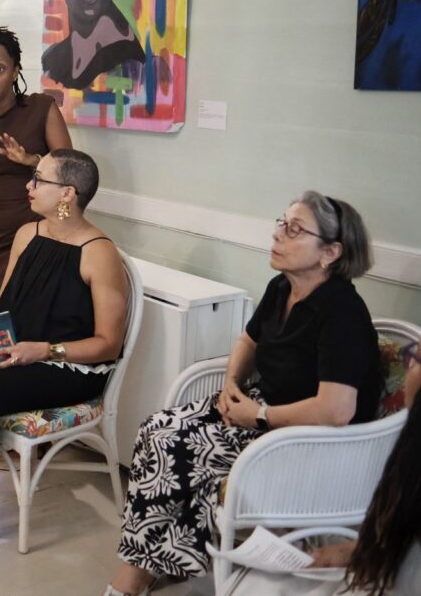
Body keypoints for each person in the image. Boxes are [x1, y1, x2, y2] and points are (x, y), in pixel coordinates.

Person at [105, 191, 380, 596]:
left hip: (310, 442)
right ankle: (157, 559)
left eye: (295, 229)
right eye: (281, 223)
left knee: (175, 447)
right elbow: (248, 342)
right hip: (262, 411)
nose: (278, 234)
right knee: (156, 429)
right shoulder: (282, 287)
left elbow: (336, 410)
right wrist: (232, 382)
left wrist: (259, 416)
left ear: (330, 252)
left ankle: (133, 577)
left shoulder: (342, 313)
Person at [0, 150, 129, 565]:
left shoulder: (99, 252)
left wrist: (45, 349)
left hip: (69, 364)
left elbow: (108, 343)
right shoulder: (27, 234)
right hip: (17, 348)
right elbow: (3, 302)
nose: (28, 186)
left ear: (67, 193)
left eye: (38, 179)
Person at [223, 310, 421, 596]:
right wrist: (352, 551)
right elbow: (404, 545)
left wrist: (261, 414)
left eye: (416, 359)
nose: (409, 365)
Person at [0, 26, 73, 322]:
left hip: (36, 236)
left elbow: (70, 171)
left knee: (23, 329)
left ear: (16, 71)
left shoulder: (41, 108)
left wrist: (31, 161)